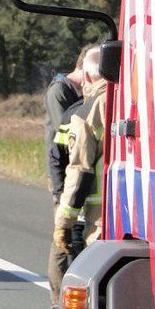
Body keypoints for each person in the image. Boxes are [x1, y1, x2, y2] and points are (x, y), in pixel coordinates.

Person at [45, 46, 90, 309]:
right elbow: (65, 136)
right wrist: (60, 188)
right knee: (61, 238)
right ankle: (56, 302)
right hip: (62, 175)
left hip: (75, 176)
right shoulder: (59, 91)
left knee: (72, 236)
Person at [54, 47, 106, 261]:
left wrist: (63, 224)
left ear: (86, 76)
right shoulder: (138, 101)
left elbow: (79, 171)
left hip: (103, 221)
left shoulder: (88, 111)